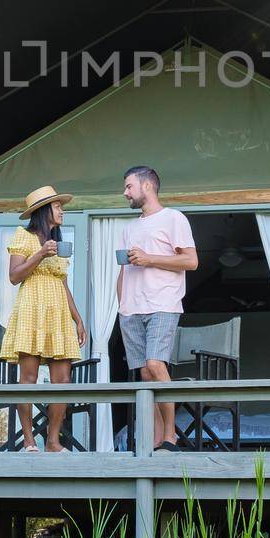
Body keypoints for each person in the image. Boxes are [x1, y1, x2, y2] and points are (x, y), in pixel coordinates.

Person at [0, 184, 87, 452]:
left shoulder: (59, 245)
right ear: (43, 210)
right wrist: (39, 253)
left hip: (58, 314)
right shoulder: (23, 236)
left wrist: (78, 319)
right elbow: (14, 276)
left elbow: (63, 284)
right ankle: (27, 440)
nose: (62, 211)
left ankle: (52, 441)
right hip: (31, 311)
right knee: (28, 379)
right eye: (58, 206)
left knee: (63, 380)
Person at [116, 165, 198, 451]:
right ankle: (153, 442)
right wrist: (121, 305)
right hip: (130, 309)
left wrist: (150, 259)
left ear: (147, 186)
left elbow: (191, 261)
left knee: (155, 364)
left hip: (162, 303)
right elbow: (123, 271)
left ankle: (170, 436)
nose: (125, 192)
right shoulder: (129, 228)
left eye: (129, 186)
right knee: (145, 374)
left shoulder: (173, 219)